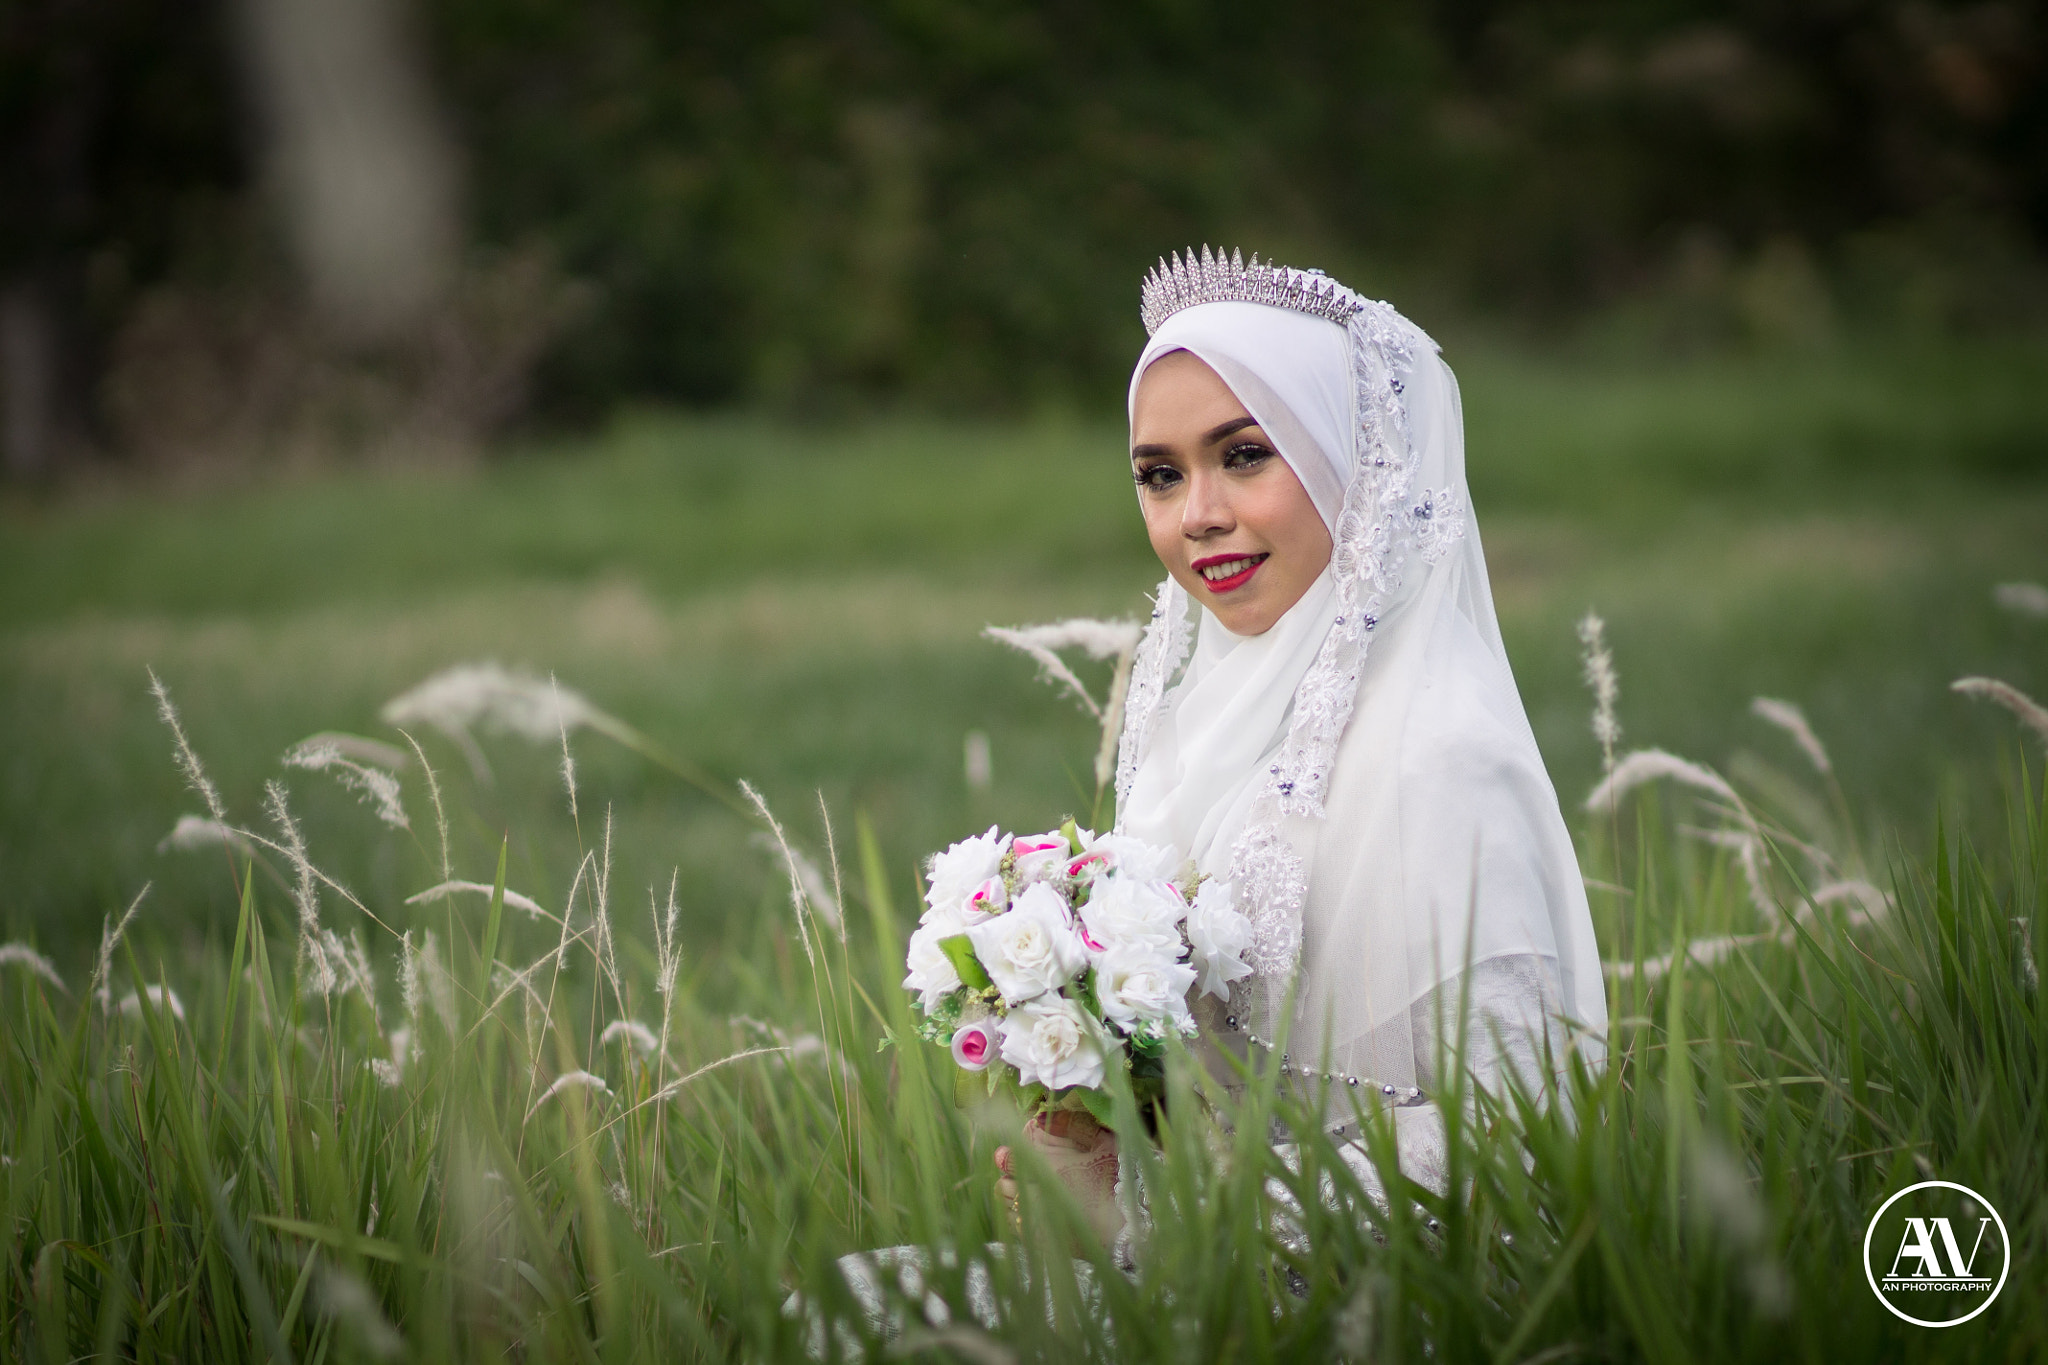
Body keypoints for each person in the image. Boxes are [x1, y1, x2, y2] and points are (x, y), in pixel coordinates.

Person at [995, 247, 1607, 1228]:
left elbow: (1508, 1158)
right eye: (1159, 474)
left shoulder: (1438, 759)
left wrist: (1152, 1226)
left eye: (1243, 455)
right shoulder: (1202, 746)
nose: (1197, 516)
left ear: (1350, 460)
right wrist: (1108, 1141)